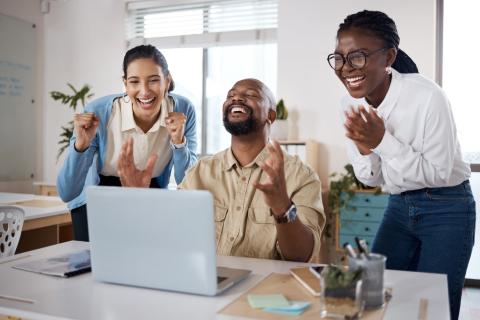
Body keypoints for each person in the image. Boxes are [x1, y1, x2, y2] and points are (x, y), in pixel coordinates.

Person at [328, 10, 475, 320]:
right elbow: (372, 178)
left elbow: (441, 172)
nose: (345, 69)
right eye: (339, 58)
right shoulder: (349, 104)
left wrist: (382, 140)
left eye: (357, 57)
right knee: (374, 293)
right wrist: (366, 148)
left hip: (447, 207)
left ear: (389, 56)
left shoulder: (427, 97)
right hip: (398, 205)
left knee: (434, 308)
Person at [57, 44, 197, 241]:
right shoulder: (99, 113)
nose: (144, 91)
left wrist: (179, 142)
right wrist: (81, 147)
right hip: (98, 195)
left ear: (167, 80)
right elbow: (67, 192)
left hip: (149, 192)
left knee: (148, 262)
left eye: (154, 80)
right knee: (93, 267)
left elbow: (188, 183)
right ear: (125, 84)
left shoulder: (183, 110)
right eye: (134, 82)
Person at [179, 78, 325, 262]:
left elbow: (302, 256)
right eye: (231, 95)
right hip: (205, 283)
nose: (236, 98)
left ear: (270, 116)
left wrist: (283, 208)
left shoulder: (301, 176)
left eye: (251, 95)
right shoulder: (199, 172)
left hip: (267, 287)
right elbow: (173, 232)